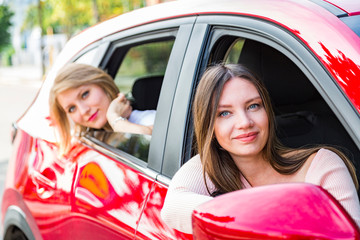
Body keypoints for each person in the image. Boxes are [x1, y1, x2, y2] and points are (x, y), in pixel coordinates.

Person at [160, 63, 360, 233]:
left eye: (253, 106)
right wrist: (262, 214)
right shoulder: (208, 169)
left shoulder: (323, 166)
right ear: (209, 126)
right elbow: (172, 208)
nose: (244, 122)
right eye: (224, 113)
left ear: (267, 111)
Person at [49, 63, 156, 155]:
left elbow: (151, 144)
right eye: (72, 109)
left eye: (85, 94)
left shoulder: (147, 120)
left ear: (103, 85)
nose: (83, 110)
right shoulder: (87, 139)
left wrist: (114, 118)